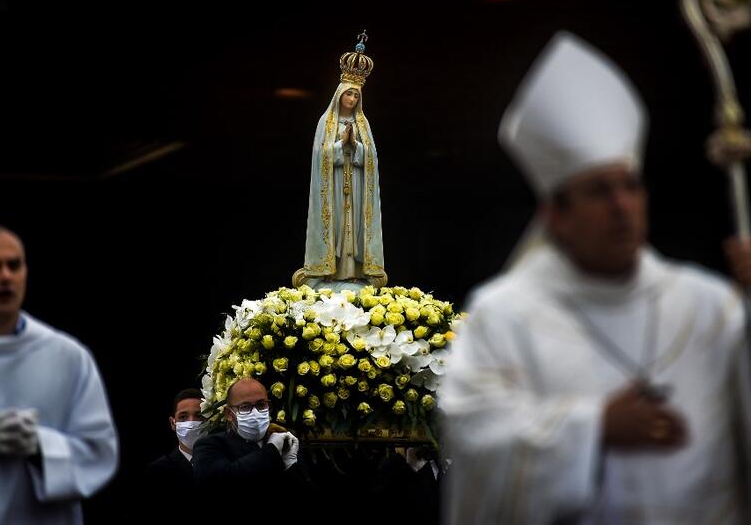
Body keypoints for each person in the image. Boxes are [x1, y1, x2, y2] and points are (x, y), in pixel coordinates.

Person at [440, 32, 751, 524]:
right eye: (600, 191)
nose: (622, 206)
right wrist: (594, 428)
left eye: (630, 186)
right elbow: (475, 437)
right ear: (556, 214)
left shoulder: (712, 308)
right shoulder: (504, 315)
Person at [0, 223, 118, 525]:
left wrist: (41, 445)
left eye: (13, 265)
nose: (5, 276)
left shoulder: (68, 356)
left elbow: (100, 452)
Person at [293, 32, 387, 290]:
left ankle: (354, 271)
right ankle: (329, 272)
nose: (352, 99)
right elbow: (320, 157)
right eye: (349, 95)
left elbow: (371, 159)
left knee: (353, 226)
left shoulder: (362, 123)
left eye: (356, 96)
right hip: (333, 186)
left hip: (355, 186)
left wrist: (355, 145)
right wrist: (339, 144)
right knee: (335, 225)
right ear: (340, 95)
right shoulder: (327, 122)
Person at [192, 377, 307, 519]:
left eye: (261, 405)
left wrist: (291, 467)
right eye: (245, 407)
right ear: (229, 414)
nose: (256, 413)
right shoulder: (210, 445)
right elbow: (219, 484)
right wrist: (271, 450)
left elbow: (309, 501)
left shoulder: (284, 441)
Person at [142, 388, 205, 519]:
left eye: (199, 416)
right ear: (173, 423)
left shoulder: (227, 461)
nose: (191, 422)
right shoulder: (158, 472)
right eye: (183, 417)